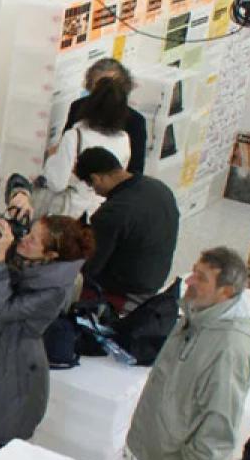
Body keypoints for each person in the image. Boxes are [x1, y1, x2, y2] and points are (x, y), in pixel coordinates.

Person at [125, 247, 250, 460]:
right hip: (161, 456)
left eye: (201, 278)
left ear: (226, 292)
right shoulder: (197, 317)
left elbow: (221, 419)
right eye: (194, 273)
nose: (189, 281)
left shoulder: (229, 347)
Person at [0, 214, 94, 460]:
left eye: (33, 239)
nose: (23, 240)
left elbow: (1, 310)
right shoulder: (30, 267)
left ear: (51, 255)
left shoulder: (54, 289)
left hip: (14, 373)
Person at [75, 148, 180, 314]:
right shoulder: (159, 188)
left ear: (96, 179)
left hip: (126, 290)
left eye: (91, 186)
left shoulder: (112, 213)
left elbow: (91, 267)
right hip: (155, 279)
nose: (95, 192)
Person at [42, 72, 131, 219]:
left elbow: (56, 183)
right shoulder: (124, 139)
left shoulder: (75, 136)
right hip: (102, 212)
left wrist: (51, 158)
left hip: (70, 213)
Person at [65, 58, 147, 175]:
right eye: (99, 87)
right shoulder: (78, 107)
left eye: (112, 86)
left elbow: (135, 170)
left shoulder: (135, 121)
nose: (105, 93)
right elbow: (64, 147)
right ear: (90, 86)